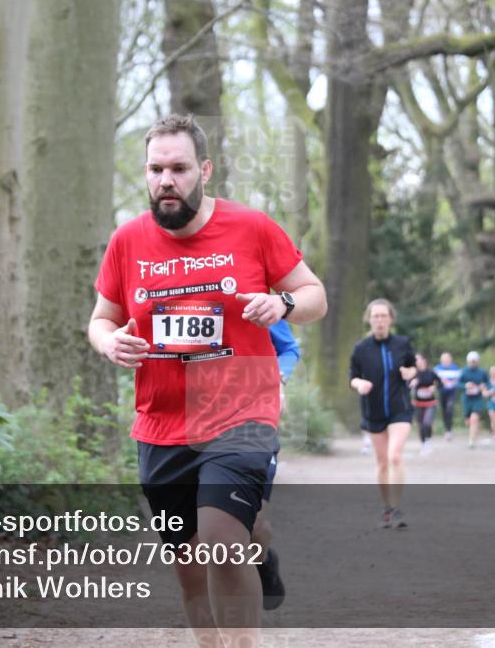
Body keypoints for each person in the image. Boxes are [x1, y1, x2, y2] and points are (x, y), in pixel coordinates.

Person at [88, 114, 326, 646]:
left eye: (178, 168)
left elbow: (315, 296)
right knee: (192, 564)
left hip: (240, 412)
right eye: (155, 169)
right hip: (162, 423)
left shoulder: (252, 228)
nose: (165, 180)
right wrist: (108, 340)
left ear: (205, 170)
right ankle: (246, 576)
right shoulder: (127, 241)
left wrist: (282, 302)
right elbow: (100, 318)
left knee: (220, 542)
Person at [349, 298, 417, 528]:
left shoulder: (402, 343)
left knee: (395, 455)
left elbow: (412, 366)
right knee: (382, 462)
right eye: (375, 316)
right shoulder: (361, 348)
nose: (379, 320)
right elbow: (353, 377)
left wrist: (410, 372)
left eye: (383, 316)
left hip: (400, 409)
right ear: (369, 319)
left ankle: (397, 509)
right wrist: (359, 384)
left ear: (390, 319)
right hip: (373, 410)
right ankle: (387, 507)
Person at [251, 320, 299, 611]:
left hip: (253, 424)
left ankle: (264, 560)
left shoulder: (255, 299)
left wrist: (278, 376)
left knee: (253, 524)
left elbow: (289, 348)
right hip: (191, 427)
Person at [459, 351, 490, 449]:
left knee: (474, 418)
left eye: (474, 361)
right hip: (467, 399)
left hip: (478, 399)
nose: (473, 363)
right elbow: (457, 384)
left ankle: (471, 441)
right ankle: (474, 431)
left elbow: (488, 383)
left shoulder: (482, 372)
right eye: (471, 361)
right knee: (469, 421)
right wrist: (465, 385)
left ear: (478, 361)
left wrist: (484, 387)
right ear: (468, 361)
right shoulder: (463, 371)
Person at [411, 354, 440, 454]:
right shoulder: (413, 373)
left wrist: (434, 386)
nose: (416, 362)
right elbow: (406, 385)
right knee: (420, 425)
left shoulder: (431, 373)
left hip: (430, 402)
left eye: (418, 359)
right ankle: (423, 444)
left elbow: (439, 382)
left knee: (427, 423)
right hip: (418, 402)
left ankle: (428, 441)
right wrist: (412, 383)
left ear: (424, 360)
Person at [434, 352, 461, 440]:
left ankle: (449, 430)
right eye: (444, 360)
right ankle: (446, 429)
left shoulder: (455, 368)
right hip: (442, 393)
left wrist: (452, 383)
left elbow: (458, 380)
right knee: (444, 411)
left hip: (451, 393)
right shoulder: (437, 369)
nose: (446, 361)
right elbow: (433, 380)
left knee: (449, 409)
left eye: (447, 359)